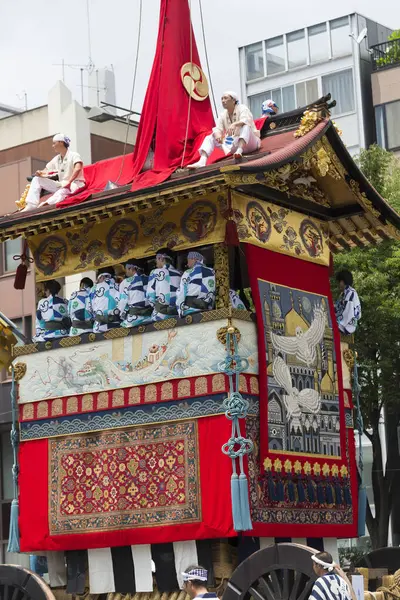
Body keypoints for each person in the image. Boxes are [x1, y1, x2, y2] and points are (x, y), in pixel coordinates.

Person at [187, 91, 260, 168]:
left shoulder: (242, 108)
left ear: (233, 100)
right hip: (233, 143)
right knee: (211, 137)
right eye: (222, 99)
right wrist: (218, 134)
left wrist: (234, 124)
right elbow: (218, 128)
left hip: (251, 143)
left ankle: (239, 150)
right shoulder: (223, 114)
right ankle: (202, 161)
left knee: (246, 126)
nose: (223, 101)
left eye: (225, 98)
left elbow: (246, 120)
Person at [22, 133, 85, 212]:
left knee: (62, 191)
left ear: (61, 142)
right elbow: (47, 169)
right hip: (62, 184)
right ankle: (31, 205)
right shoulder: (57, 159)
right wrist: (40, 172)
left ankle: (47, 204)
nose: (53, 146)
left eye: (54, 143)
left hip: (75, 184)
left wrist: (69, 182)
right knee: (37, 179)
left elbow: (78, 168)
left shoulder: (74, 155)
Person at [175, 251, 215, 318]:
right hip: (206, 311)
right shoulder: (212, 272)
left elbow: (181, 292)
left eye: (188, 260)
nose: (187, 264)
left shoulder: (188, 272)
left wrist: (180, 310)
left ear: (194, 259)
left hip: (190, 310)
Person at [146, 248, 182, 321]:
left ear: (161, 258)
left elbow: (150, 296)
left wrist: (158, 306)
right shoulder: (180, 274)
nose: (156, 262)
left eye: (156, 259)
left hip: (160, 315)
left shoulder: (155, 272)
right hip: (177, 313)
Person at [118, 258, 152, 328]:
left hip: (134, 319)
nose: (126, 272)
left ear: (131, 269)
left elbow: (122, 304)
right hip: (150, 317)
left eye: (126, 269)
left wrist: (121, 316)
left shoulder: (126, 282)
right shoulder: (150, 278)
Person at [87, 267, 120, 333]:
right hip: (117, 325)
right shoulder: (119, 286)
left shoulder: (93, 289)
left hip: (99, 327)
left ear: (101, 277)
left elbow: (89, 309)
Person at [335, 270, 361, 334]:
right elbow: (337, 307)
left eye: (339, 282)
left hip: (347, 325)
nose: (338, 284)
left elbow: (348, 311)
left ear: (343, 281)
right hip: (343, 321)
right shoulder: (343, 294)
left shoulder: (351, 293)